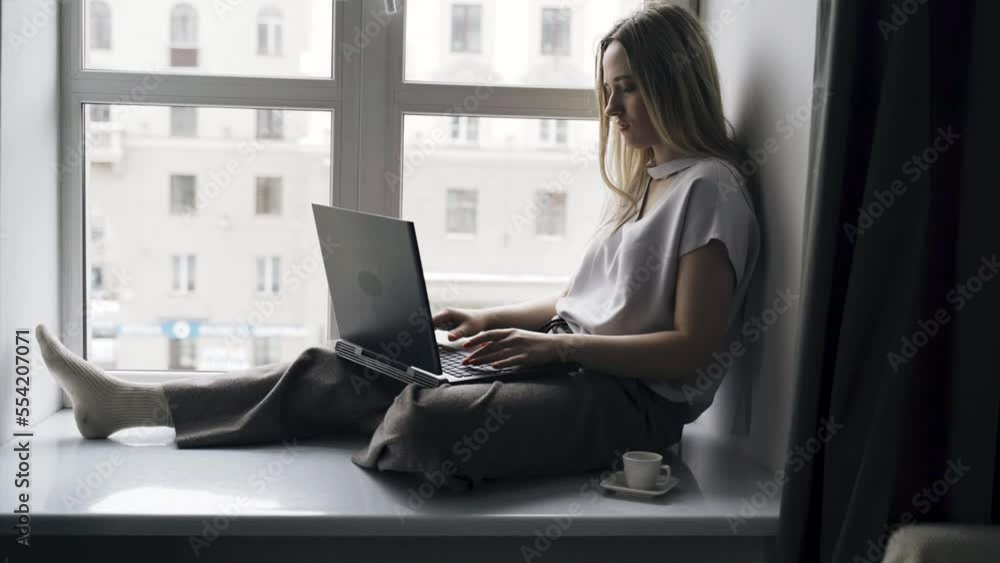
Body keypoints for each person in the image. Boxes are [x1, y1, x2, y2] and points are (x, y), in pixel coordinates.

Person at [36, 2, 760, 494]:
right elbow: (589, 303)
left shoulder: (710, 189)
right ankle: (130, 403)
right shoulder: (645, 182)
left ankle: (374, 408)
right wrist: (493, 317)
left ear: (673, 84)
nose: (611, 110)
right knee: (341, 359)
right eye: (608, 90)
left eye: (627, 90)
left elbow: (690, 349)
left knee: (427, 418)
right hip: (568, 363)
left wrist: (557, 350)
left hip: (628, 405)